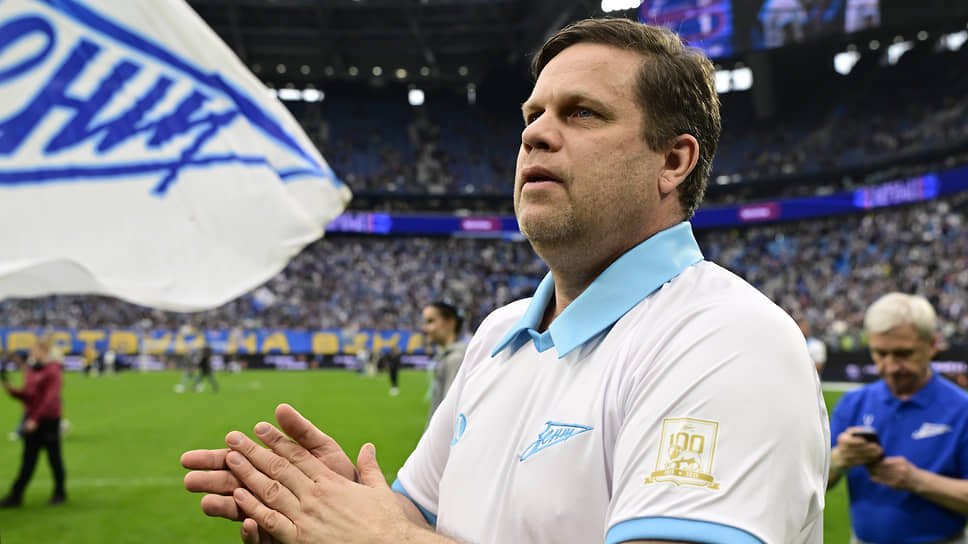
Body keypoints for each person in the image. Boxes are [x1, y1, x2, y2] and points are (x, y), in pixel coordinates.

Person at [182, 18, 829, 543]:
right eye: (532, 114)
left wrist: (382, 538)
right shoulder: (498, 334)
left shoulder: (727, 339)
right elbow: (418, 517)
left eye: (582, 113)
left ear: (673, 160)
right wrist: (335, 509)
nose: (536, 134)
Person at [828, 292, 968, 544]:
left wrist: (917, 481)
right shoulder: (853, 403)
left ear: (932, 345)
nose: (890, 366)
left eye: (903, 354)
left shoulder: (962, 409)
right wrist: (839, 459)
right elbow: (812, 484)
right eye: (879, 354)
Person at [1, 339, 67, 507]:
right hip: (32, 419)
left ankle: (59, 493)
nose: (31, 353)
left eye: (34, 350)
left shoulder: (53, 371)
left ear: (43, 352)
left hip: (48, 421)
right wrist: (13, 391)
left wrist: (34, 419)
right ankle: (16, 496)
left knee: (54, 458)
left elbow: (50, 399)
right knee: (28, 460)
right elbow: (29, 395)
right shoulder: (32, 371)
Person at [421, 301, 467, 418]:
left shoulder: (455, 359)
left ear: (450, 322)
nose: (424, 328)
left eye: (430, 321)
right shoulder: (449, 357)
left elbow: (449, 413)